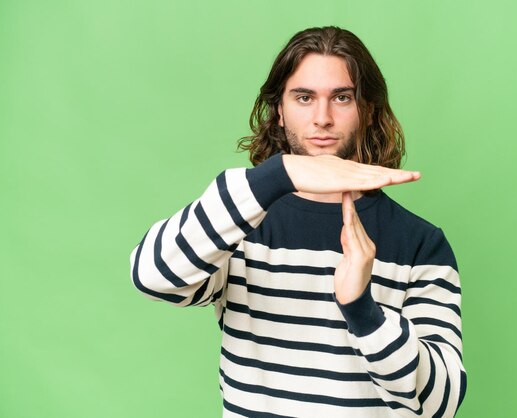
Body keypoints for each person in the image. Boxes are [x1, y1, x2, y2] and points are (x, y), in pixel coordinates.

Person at [130, 26, 466, 417]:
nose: (322, 118)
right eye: (304, 97)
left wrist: (362, 309)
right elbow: (152, 276)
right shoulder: (237, 222)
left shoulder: (420, 243)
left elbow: (440, 402)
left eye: (342, 97)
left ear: (368, 110)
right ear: (279, 109)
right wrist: (277, 174)